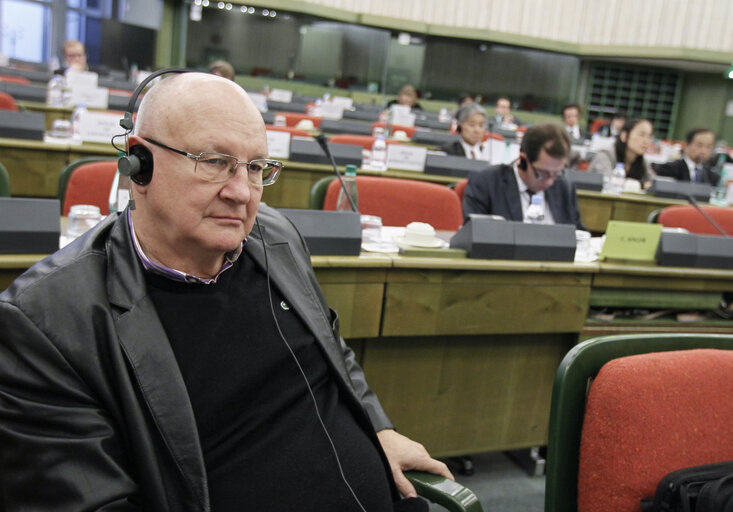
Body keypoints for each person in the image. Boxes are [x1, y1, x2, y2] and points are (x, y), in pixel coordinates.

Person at [0, 72, 451, 511]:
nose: (242, 193)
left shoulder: (275, 236)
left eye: (256, 168)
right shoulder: (46, 321)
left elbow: (331, 347)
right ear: (139, 163)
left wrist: (379, 428)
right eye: (214, 162)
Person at [462, 123, 585, 230]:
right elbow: (475, 235)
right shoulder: (487, 182)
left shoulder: (564, 187)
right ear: (522, 160)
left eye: (557, 173)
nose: (549, 182)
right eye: (542, 173)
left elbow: (578, 235)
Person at [588, 118, 654, 188]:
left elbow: (654, 184)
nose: (646, 141)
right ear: (624, 136)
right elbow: (608, 183)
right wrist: (641, 185)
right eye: (641, 135)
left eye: (649, 136)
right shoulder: (604, 156)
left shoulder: (643, 162)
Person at [654, 128, 719, 186]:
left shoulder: (711, 176)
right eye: (699, 145)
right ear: (686, 145)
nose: (704, 151)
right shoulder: (671, 168)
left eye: (708, 147)